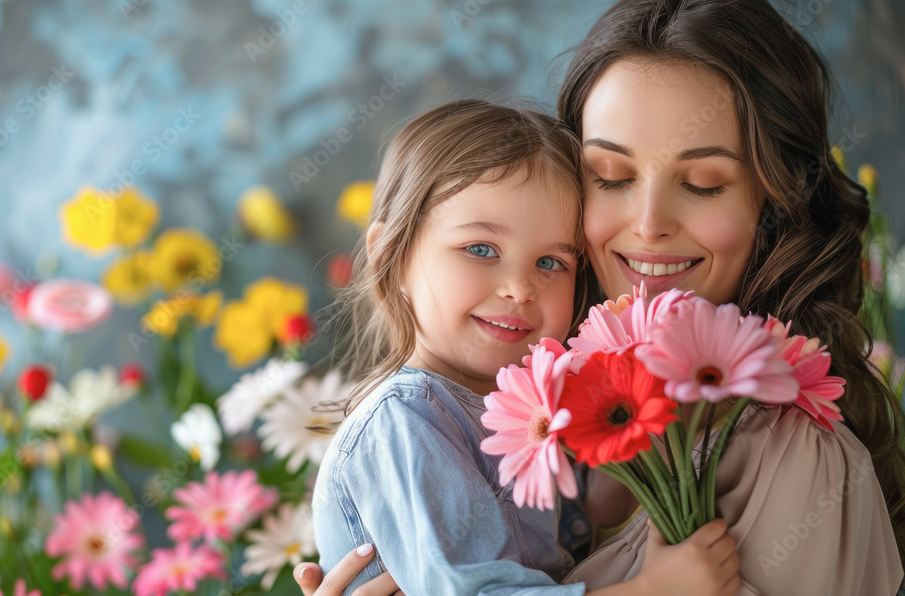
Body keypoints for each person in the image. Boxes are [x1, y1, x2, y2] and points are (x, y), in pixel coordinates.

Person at [296, 0, 905, 594]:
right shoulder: (526, 414)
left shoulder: (797, 460)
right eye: (611, 177)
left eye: (702, 183)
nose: (647, 223)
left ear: (776, 206)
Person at [308, 99, 741, 596]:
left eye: (552, 262)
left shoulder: (524, 406)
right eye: (480, 250)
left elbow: (558, 542)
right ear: (393, 256)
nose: (519, 287)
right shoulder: (405, 422)